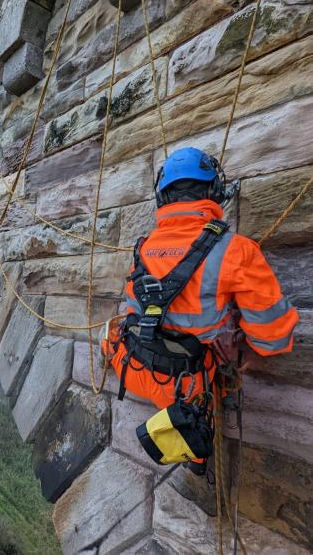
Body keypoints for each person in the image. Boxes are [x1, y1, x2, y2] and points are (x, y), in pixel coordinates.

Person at [102, 147, 299, 470]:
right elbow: (272, 337)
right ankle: (196, 456)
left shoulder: (144, 247)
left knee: (112, 334)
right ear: (214, 191)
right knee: (198, 413)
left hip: (135, 367)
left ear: (163, 198)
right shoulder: (236, 251)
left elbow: (133, 310)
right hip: (188, 384)